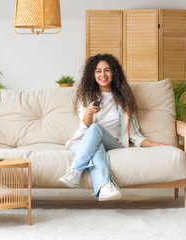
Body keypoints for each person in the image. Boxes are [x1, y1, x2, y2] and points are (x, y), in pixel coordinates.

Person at [59, 54, 172, 201]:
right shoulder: (86, 96)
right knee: (95, 141)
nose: (103, 74)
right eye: (98, 71)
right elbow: (84, 126)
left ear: (114, 73)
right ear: (92, 74)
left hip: (112, 143)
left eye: (107, 70)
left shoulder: (123, 99)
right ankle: (105, 187)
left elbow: (133, 133)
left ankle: (75, 171)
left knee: (96, 129)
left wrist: (152, 144)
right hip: (83, 141)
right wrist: (89, 112)